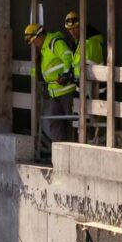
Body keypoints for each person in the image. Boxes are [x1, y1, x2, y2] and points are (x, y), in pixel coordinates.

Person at [24, 22, 76, 150]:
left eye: (33, 41)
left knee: (72, 122)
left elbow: (67, 55)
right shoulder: (44, 49)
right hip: (54, 93)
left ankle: (76, 150)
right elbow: (42, 72)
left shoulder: (54, 43)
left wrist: (65, 74)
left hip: (66, 91)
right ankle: (59, 154)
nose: (34, 44)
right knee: (55, 123)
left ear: (39, 36)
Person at [64, 11, 104, 82]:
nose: (72, 32)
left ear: (82, 26)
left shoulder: (90, 43)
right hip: (82, 87)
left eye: (75, 28)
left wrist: (72, 75)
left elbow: (89, 69)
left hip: (92, 89)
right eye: (70, 29)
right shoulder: (78, 42)